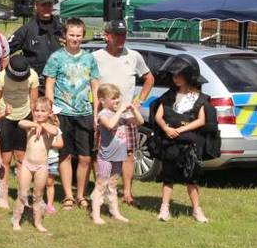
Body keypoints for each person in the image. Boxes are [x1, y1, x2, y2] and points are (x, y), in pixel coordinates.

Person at [91, 19, 154, 206]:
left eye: (124, 34)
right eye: (117, 34)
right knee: (102, 154)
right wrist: (96, 113)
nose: (121, 38)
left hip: (127, 117)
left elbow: (149, 78)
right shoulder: (95, 56)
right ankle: (101, 189)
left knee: (128, 155)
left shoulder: (134, 56)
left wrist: (139, 100)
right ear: (107, 36)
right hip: (105, 116)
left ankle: (127, 193)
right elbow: (94, 88)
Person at [43, 18, 99, 211]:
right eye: (71, 35)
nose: (75, 39)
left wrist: (96, 112)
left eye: (78, 35)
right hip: (63, 112)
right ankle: (68, 196)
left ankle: (81, 195)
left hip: (84, 112)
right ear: (65, 36)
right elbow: (49, 84)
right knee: (65, 155)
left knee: (84, 158)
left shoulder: (89, 58)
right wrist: (52, 110)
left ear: (83, 36)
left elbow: (95, 86)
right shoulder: (56, 58)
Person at [150, 55, 213, 223]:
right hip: (170, 143)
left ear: (189, 76)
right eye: (174, 75)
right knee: (168, 177)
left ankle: (196, 211)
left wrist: (181, 129)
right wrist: (166, 128)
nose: (175, 78)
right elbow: (158, 116)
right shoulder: (169, 95)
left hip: (189, 146)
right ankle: (164, 209)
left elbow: (201, 120)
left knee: (191, 179)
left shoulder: (200, 98)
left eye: (179, 75)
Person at [0, 54, 39, 210]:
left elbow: (34, 101)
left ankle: (23, 194)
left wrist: (35, 122)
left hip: (24, 117)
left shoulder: (32, 76)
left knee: (21, 158)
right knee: (5, 158)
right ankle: (2, 195)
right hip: (6, 118)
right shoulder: (1, 77)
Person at [92, 83, 142, 225]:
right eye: (113, 98)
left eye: (118, 98)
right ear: (102, 100)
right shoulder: (103, 114)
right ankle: (96, 214)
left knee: (113, 184)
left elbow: (140, 121)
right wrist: (120, 111)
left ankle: (115, 212)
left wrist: (133, 109)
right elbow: (110, 125)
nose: (117, 101)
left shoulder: (121, 114)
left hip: (119, 156)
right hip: (105, 157)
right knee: (101, 184)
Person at [13, 97, 58, 233]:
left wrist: (43, 125)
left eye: (43, 111)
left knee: (38, 195)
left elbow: (55, 131)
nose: (39, 113)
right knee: (22, 193)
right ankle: (16, 220)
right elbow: (21, 122)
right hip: (27, 165)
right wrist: (36, 125)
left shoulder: (51, 128)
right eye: (36, 110)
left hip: (41, 167)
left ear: (49, 113)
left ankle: (37, 222)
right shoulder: (31, 126)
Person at [8, 0, 64, 85]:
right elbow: (5, 49)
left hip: (58, 82)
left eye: (49, 5)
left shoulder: (61, 29)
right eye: (43, 5)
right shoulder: (27, 29)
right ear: (36, 6)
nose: (47, 8)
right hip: (35, 83)